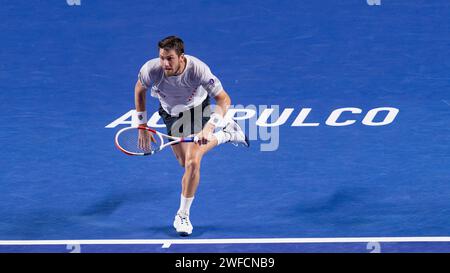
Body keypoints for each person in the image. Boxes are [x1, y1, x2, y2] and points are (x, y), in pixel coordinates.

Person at [134, 36, 249, 236]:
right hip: (171, 113)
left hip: (198, 110)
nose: (164, 63)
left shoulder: (198, 69)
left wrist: (209, 128)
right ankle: (227, 134)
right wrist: (142, 124)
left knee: (192, 162)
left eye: (169, 58)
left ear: (181, 57)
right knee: (182, 161)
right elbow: (139, 90)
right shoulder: (151, 70)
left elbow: (224, 99)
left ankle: (182, 215)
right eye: (161, 58)